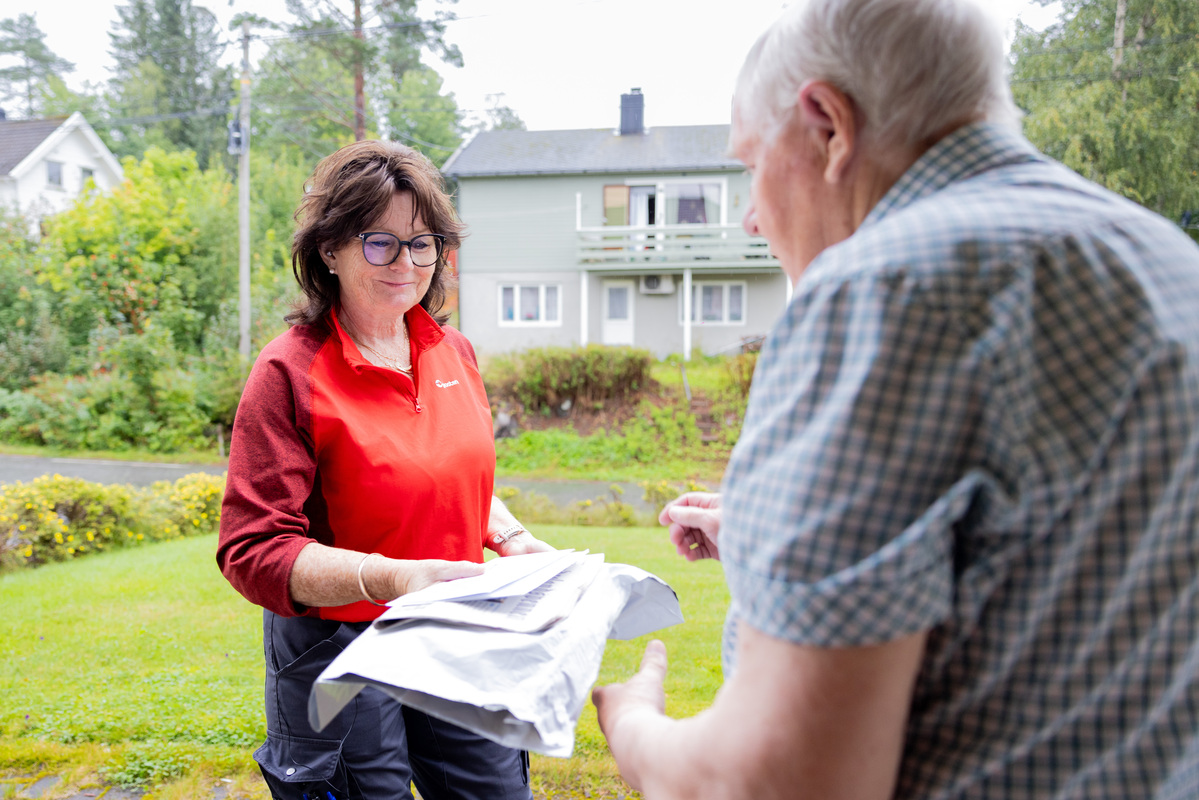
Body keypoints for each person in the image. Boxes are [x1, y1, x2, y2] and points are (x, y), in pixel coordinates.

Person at [591, 0, 1199, 798]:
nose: (748, 216)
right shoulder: (1165, 261)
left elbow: (772, 781)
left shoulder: (880, 291)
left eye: (749, 165)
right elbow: (1062, 564)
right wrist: (767, 536)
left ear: (828, 126)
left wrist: (633, 725)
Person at [217, 139, 551, 800]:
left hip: (455, 630)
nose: (406, 262)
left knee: (495, 790)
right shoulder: (290, 371)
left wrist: (510, 539)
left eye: (423, 242)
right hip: (335, 647)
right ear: (329, 250)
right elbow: (254, 551)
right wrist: (392, 576)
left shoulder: (451, 350)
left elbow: (442, 473)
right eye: (380, 242)